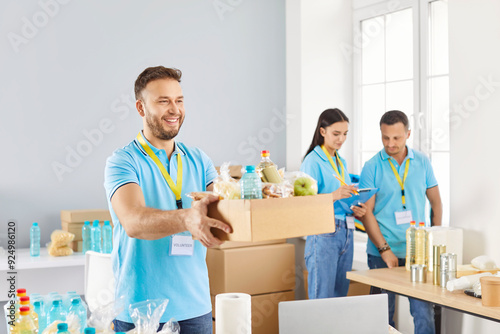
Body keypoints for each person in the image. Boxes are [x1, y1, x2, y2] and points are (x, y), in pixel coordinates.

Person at [104, 66, 231, 333]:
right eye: (163, 101)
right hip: (139, 311)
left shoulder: (199, 160)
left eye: (179, 100)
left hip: (195, 309)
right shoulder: (123, 161)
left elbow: (224, 210)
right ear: (141, 108)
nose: (174, 110)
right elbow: (133, 222)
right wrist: (188, 218)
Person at [359, 110, 442, 334]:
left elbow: (436, 204)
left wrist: (434, 242)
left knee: (423, 312)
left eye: (396, 138)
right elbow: (367, 212)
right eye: (385, 137)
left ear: (408, 133)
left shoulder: (422, 162)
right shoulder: (372, 166)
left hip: (419, 253)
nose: (390, 143)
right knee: (382, 317)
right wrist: (384, 249)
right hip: (381, 252)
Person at [301, 108, 367, 298]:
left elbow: (341, 197)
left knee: (339, 299)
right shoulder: (312, 161)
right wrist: (334, 195)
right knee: (322, 299)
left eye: (345, 134)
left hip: (347, 230)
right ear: (323, 132)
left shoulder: (341, 161)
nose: (341, 139)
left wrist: (354, 206)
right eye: (336, 134)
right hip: (324, 232)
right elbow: (304, 204)